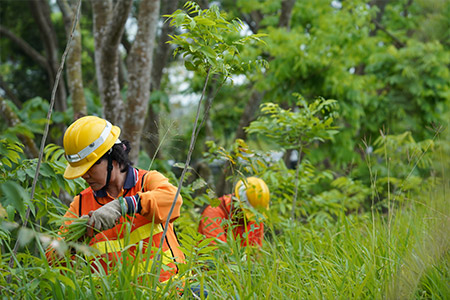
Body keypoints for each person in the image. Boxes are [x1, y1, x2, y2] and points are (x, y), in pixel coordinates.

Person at [46, 116, 184, 282]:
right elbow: (51, 259)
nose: (85, 175)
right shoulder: (81, 204)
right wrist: (76, 238)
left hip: (171, 292)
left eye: (89, 167)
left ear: (112, 157)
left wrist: (124, 206)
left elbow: (173, 200)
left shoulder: (147, 182)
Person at [198, 177, 270, 247]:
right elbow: (219, 253)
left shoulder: (256, 217)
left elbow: (256, 252)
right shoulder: (213, 213)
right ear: (237, 201)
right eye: (248, 213)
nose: (249, 219)